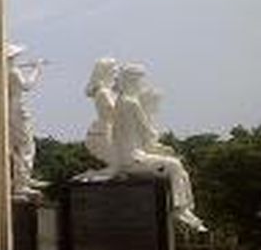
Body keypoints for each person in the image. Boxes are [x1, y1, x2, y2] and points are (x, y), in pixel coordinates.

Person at [111, 64, 206, 232]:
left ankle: (186, 208)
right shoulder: (130, 103)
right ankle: (180, 209)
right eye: (140, 80)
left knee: (179, 170)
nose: (141, 84)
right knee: (175, 166)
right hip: (132, 159)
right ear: (133, 81)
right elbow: (148, 134)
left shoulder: (122, 101)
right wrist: (164, 149)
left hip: (132, 155)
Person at [7, 44, 46, 194]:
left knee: (18, 146)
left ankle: (23, 177)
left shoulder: (6, 71)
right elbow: (27, 86)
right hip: (18, 109)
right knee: (26, 146)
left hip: (13, 108)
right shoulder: (14, 71)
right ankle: (22, 182)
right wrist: (37, 69)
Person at [83, 58, 119, 169]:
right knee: (117, 166)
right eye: (114, 71)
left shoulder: (109, 92)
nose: (116, 74)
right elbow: (115, 112)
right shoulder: (104, 92)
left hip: (113, 130)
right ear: (105, 72)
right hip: (105, 132)